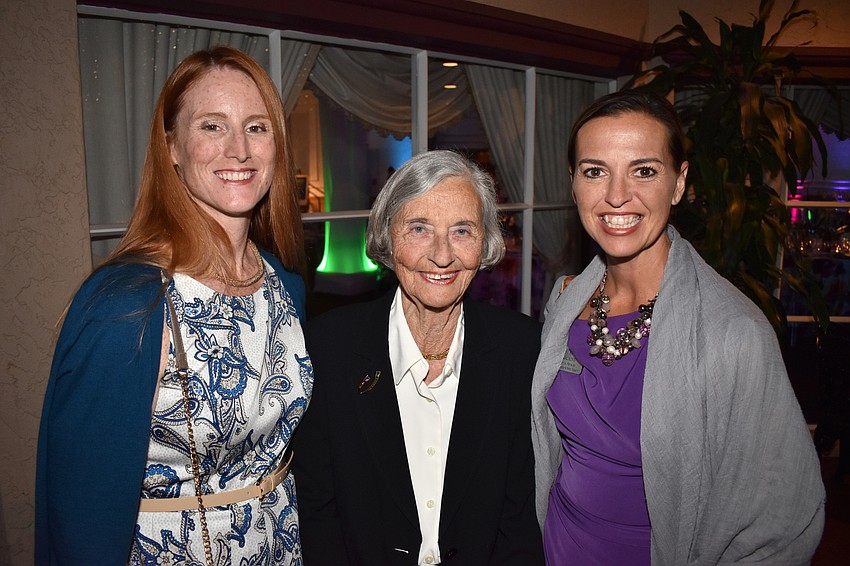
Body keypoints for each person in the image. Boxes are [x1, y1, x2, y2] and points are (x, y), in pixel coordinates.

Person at [35, 46, 311, 565]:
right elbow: (80, 515)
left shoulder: (284, 285)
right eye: (212, 126)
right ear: (173, 150)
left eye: (256, 127)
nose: (240, 150)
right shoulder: (127, 308)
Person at [531, 90, 825, 564]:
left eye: (644, 170)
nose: (616, 195)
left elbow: (782, 523)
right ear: (573, 184)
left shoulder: (733, 334)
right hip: (555, 547)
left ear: (679, 183)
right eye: (595, 171)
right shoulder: (566, 300)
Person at [293, 150, 544, 565]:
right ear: (389, 239)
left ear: (485, 244)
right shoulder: (328, 349)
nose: (442, 255)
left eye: (462, 230)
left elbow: (520, 521)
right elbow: (317, 514)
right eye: (419, 228)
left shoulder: (521, 350)